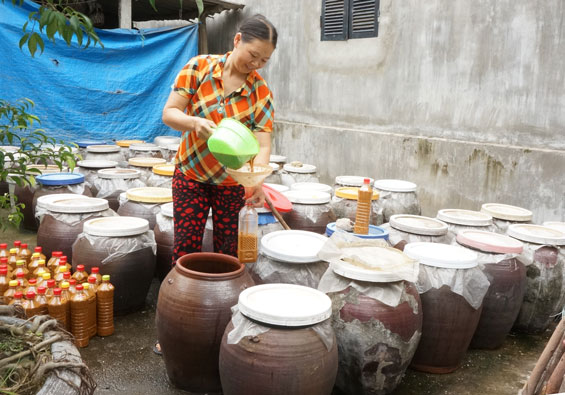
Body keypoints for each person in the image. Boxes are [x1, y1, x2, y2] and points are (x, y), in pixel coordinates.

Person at [162, 14, 277, 266]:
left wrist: (256, 180)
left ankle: (223, 303)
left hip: (231, 183)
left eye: (264, 60)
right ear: (237, 40)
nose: (256, 63)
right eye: (253, 54)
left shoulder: (261, 92)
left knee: (228, 253)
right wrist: (194, 122)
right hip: (191, 176)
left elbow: (263, 143)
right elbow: (169, 114)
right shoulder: (198, 68)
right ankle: (185, 301)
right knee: (185, 249)